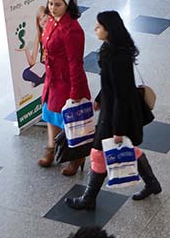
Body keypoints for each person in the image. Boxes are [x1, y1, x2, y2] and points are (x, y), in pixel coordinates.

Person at [67, 11, 162, 211]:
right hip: (113, 109)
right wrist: (100, 98)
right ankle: (152, 183)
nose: (95, 28)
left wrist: (118, 130)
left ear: (109, 30)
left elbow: (121, 95)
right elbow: (111, 84)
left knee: (98, 152)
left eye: (99, 26)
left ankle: (88, 199)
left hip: (118, 114)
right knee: (127, 148)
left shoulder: (118, 57)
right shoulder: (109, 48)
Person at [36, 0, 91, 175]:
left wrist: (75, 92)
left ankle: (76, 157)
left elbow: (75, 63)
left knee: (69, 120)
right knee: (50, 114)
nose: (52, 8)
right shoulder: (51, 21)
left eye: (57, 5)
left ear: (67, 5)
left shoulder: (72, 30)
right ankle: (51, 149)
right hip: (52, 79)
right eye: (50, 4)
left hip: (66, 81)